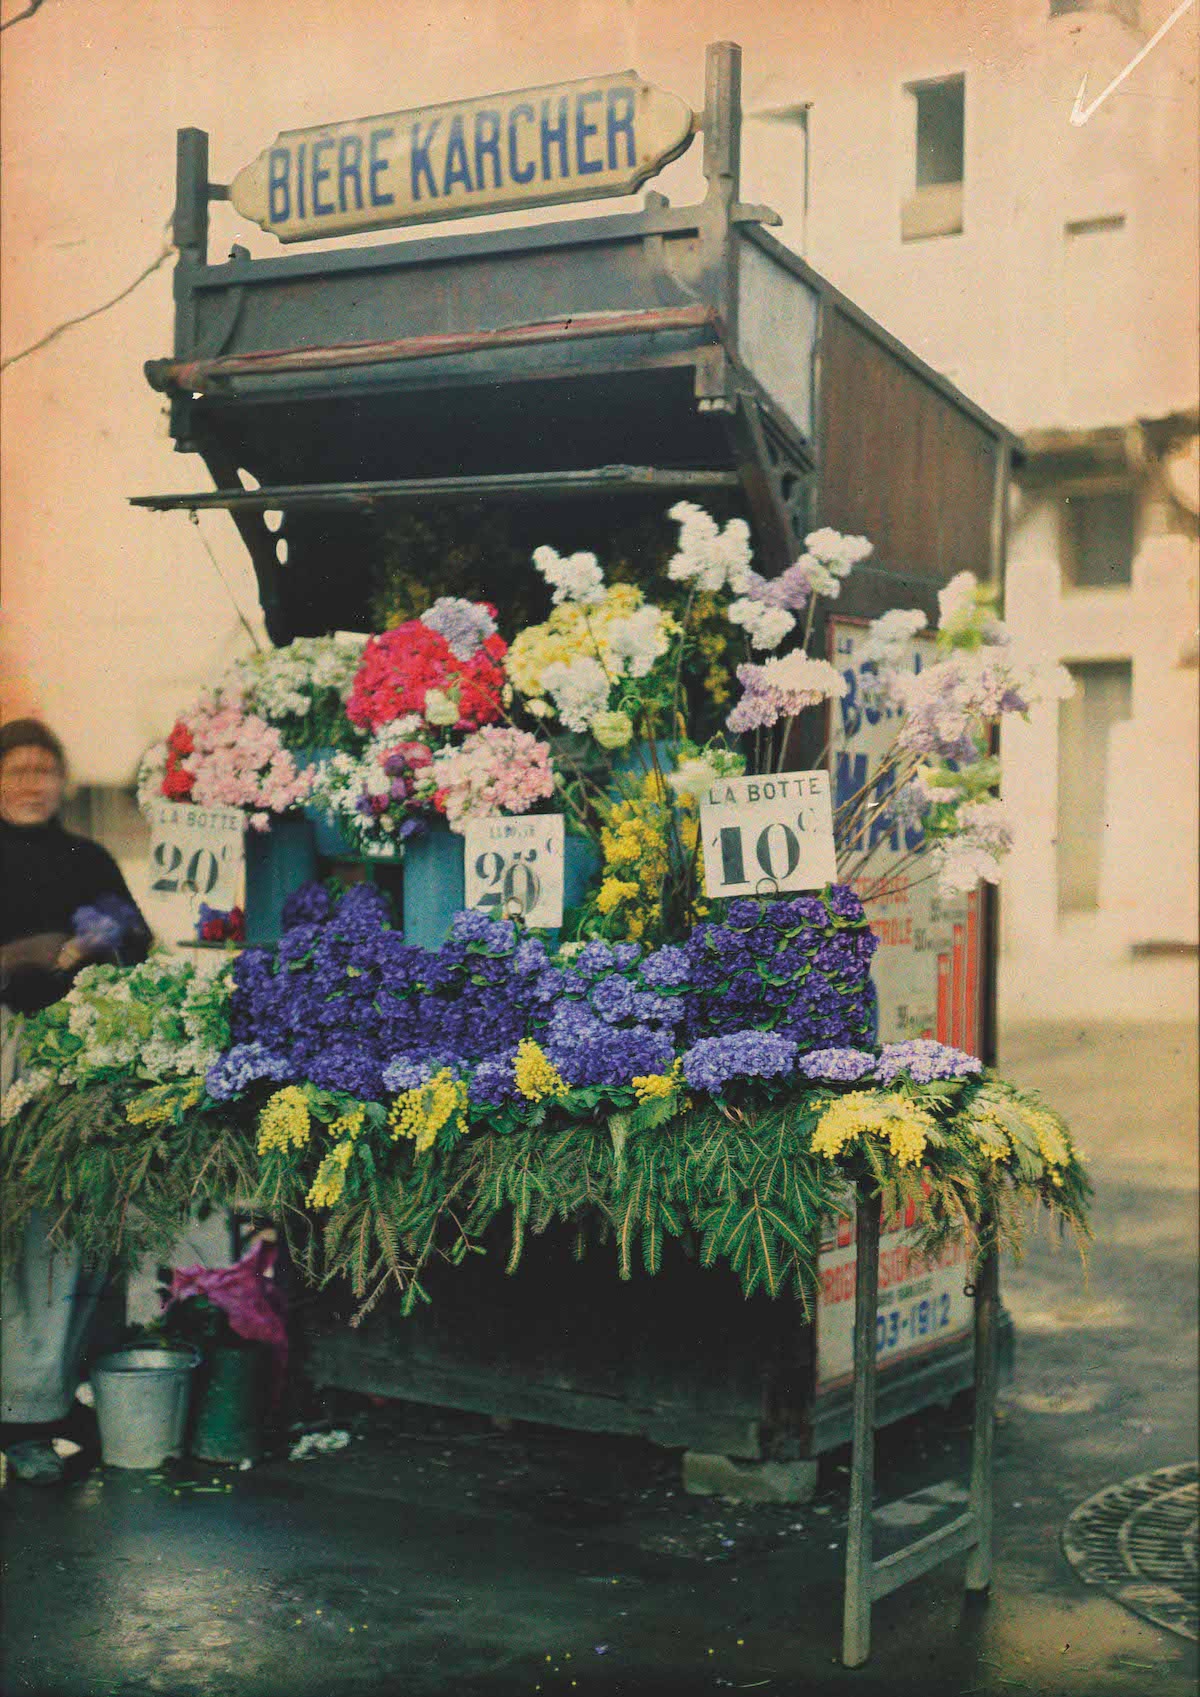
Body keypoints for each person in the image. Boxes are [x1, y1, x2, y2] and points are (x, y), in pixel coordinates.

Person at [1, 718, 151, 1483]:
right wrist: (21, 955)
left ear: (62, 780)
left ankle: (50, 1396)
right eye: (15, 769)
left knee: (68, 1223)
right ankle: (21, 1410)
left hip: (76, 1055)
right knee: (15, 1230)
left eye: (43, 769)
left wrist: (100, 942)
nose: (30, 783)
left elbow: (139, 935)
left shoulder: (87, 856)